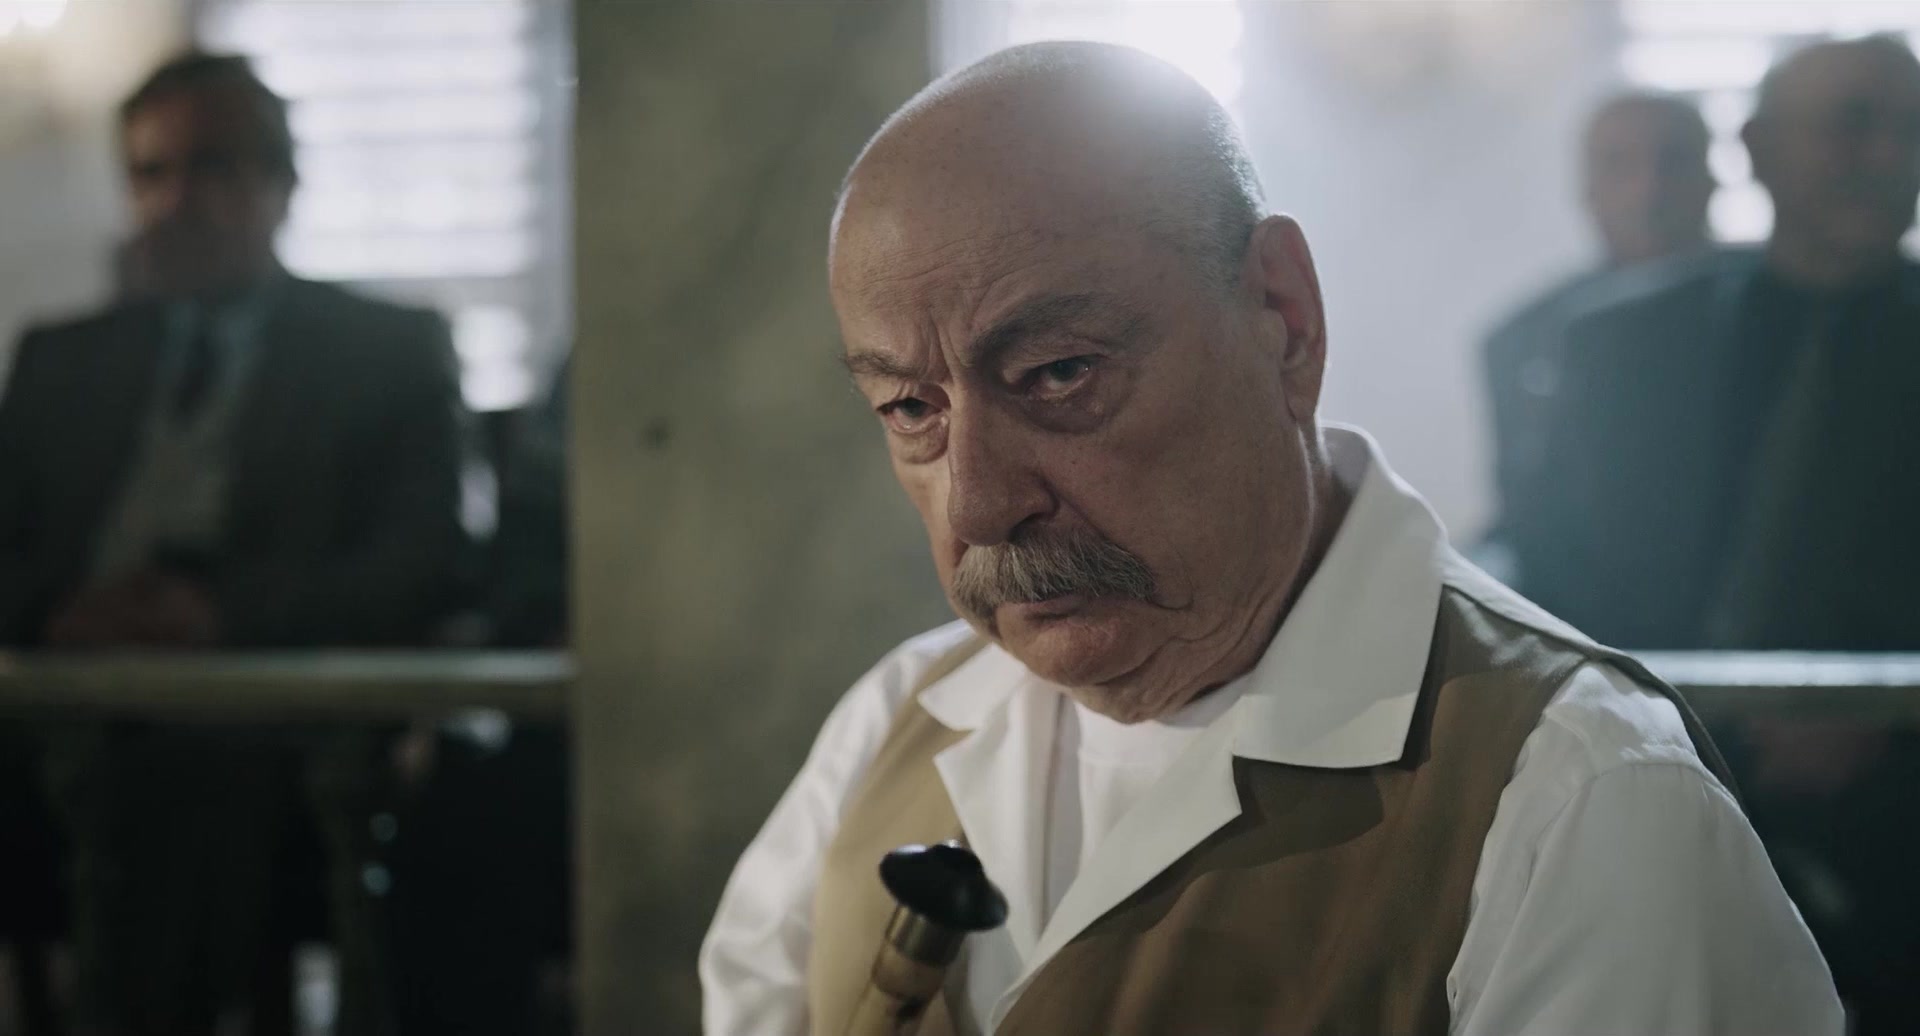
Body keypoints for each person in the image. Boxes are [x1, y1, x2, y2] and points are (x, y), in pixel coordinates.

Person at [700, 42, 1838, 1035]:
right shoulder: (887, 729)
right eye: (911, 409)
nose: (978, 506)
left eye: (1058, 373)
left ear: (1283, 320)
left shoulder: (1583, 805)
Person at [0, 52, 469, 1032]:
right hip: (58, 702)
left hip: (266, 716)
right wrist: (64, 613)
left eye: (211, 166)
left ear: (281, 184)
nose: (176, 201)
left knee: (170, 782)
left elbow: (422, 561)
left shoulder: (381, 352)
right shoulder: (60, 359)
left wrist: (219, 617)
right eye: (150, 173)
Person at [1506, 35, 1920, 1034]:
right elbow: (1549, 561)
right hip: (1631, 772)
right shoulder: (1619, 343)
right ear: (1759, 146)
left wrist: (1877, 711)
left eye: (1910, 129)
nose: (1886, 154)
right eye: (1851, 124)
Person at [1478, 90, 1716, 571]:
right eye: (1619, 165)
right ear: (1587, 189)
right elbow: (1527, 511)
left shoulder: (1789, 319)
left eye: (1673, 162)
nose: (1649, 189)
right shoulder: (1523, 340)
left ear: (1710, 178)